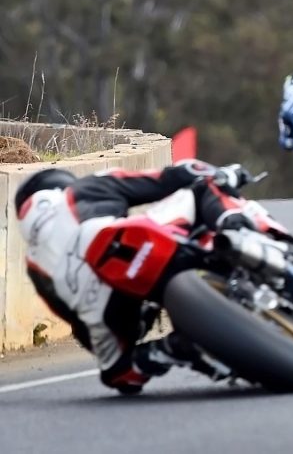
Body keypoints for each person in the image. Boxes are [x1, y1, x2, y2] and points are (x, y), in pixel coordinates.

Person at [14, 160, 256, 394]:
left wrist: (112, 339)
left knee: (117, 373)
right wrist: (222, 174)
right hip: (139, 248)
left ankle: (166, 350)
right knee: (204, 186)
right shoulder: (85, 188)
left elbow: (76, 323)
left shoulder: (34, 266)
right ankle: (239, 231)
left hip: (105, 308)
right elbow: (165, 180)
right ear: (59, 186)